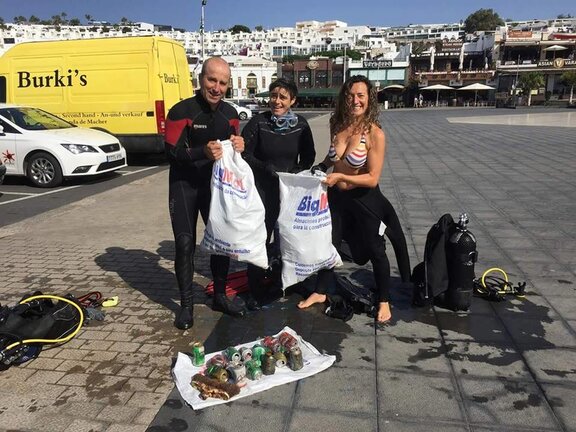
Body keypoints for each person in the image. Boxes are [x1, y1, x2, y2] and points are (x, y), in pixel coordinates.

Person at [299, 75, 409, 324]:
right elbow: (332, 159)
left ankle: (383, 299)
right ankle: (320, 291)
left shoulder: (375, 134)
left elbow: (372, 177)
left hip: (366, 200)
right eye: (350, 95)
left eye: (360, 95)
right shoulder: (336, 124)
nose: (355, 100)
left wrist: (338, 175)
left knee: (375, 249)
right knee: (330, 244)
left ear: (370, 99)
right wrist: (321, 167)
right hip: (338, 198)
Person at [164, 57, 246, 330]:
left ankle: (220, 296)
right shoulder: (180, 111)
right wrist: (202, 152)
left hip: (216, 188)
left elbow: (235, 151)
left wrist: (240, 145)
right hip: (184, 186)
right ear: (200, 79)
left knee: (221, 243)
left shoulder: (231, 113)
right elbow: (171, 153)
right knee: (186, 244)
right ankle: (186, 306)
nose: (217, 87)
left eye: (223, 82)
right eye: (212, 80)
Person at [241, 78, 316, 309]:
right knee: (260, 240)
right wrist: (265, 168)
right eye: (274, 96)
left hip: (289, 192)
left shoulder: (301, 125)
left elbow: (310, 155)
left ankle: (289, 282)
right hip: (263, 191)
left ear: (292, 100)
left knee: (289, 239)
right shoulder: (258, 123)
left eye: (283, 97)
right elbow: (244, 153)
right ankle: (256, 288)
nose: (277, 101)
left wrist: (294, 173)